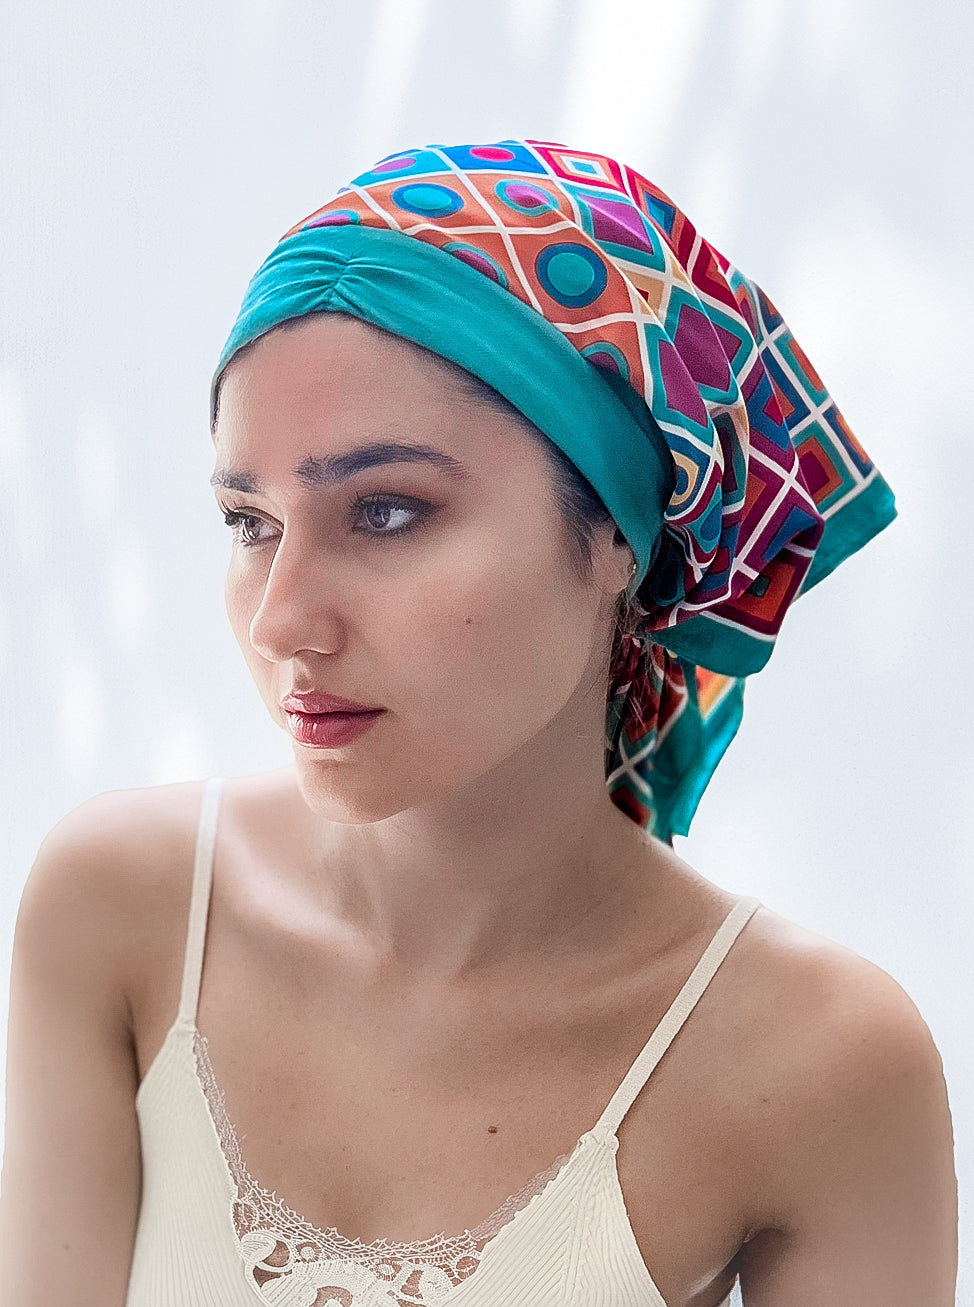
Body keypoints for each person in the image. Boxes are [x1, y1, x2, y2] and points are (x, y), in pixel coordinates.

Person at [0, 138, 957, 1307]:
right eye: (250, 522)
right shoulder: (124, 911)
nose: (283, 621)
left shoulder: (813, 1063)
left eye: (387, 510)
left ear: (615, 530)